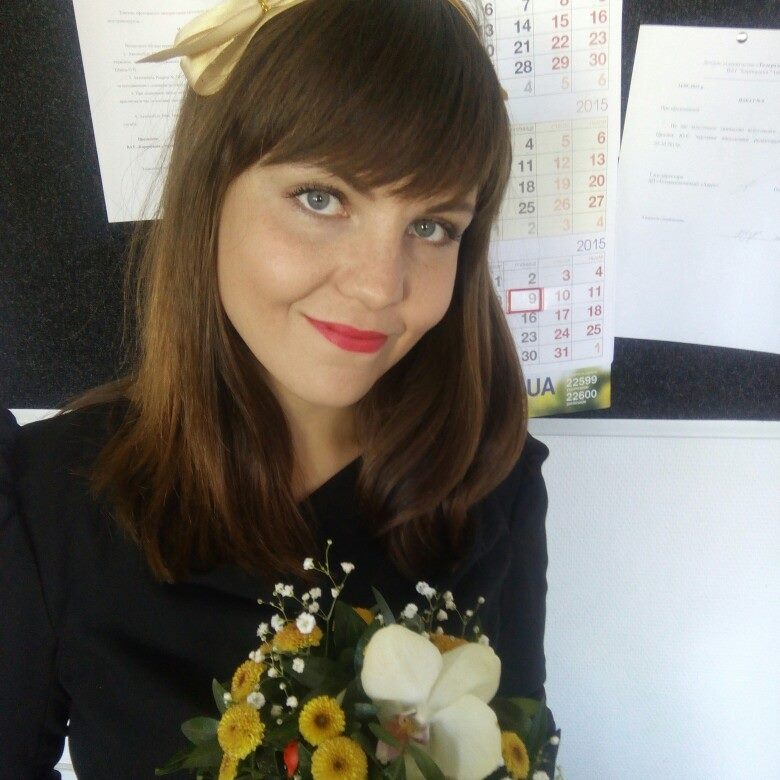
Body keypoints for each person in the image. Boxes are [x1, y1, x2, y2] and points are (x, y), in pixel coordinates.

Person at [0, 0, 559, 777]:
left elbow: (516, 749)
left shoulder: (493, 482)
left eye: (432, 226)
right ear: (209, 197)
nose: (380, 286)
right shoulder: (50, 501)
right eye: (321, 198)